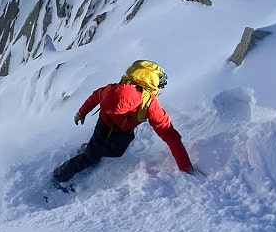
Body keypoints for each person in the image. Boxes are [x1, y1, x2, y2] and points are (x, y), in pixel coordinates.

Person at [52, 60, 194, 188]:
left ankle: (92, 149)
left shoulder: (113, 92)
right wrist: (185, 166)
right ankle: (59, 176)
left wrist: (81, 113)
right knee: (90, 157)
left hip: (109, 125)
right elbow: (169, 134)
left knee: (117, 152)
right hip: (112, 128)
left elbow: (94, 97)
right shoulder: (144, 103)